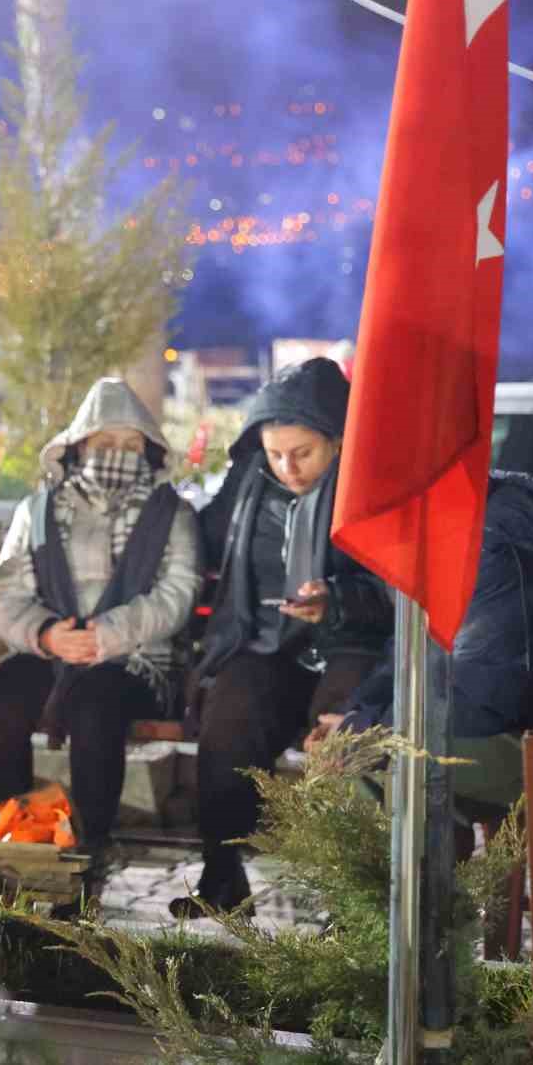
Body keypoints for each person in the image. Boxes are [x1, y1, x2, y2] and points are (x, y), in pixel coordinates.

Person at [171, 358, 394, 916]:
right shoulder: (250, 481)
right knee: (226, 726)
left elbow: (394, 592)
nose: (288, 468)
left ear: (338, 442)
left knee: (340, 742)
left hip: (352, 647)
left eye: (304, 453)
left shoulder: (372, 490)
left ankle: (355, 904)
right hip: (267, 642)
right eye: (276, 454)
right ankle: (222, 878)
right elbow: (199, 538)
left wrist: (337, 600)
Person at [0, 378, 202, 879]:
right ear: (78, 446)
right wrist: (46, 634)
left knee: (96, 706)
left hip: (138, 660)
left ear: (149, 451)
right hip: (51, 650)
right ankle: (12, 834)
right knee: (2, 701)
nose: (116, 456)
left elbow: (178, 592)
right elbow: (7, 591)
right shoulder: (37, 511)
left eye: (129, 446)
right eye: (104, 444)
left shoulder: (172, 515)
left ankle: (88, 845)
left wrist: (107, 636)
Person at [318, 473, 533, 821]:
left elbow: (485, 698)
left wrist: (364, 734)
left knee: (366, 768)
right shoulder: (444, 528)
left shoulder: (489, 551)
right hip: (517, 729)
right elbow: (407, 649)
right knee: (352, 753)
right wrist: (358, 715)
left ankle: (443, 876)